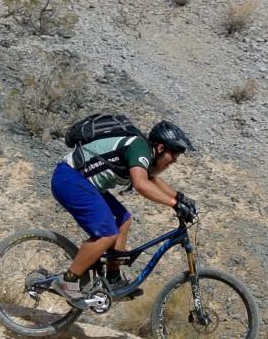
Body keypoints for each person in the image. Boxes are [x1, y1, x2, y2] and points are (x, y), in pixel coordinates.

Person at [50, 120, 197, 309]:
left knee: (123, 220)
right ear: (160, 147)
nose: (175, 159)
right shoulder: (138, 147)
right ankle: (67, 280)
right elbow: (141, 184)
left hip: (84, 183)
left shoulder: (145, 155)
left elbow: (151, 179)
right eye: (174, 153)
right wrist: (174, 204)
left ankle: (113, 279)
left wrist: (180, 198)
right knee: (107, 234)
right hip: (70, 179)